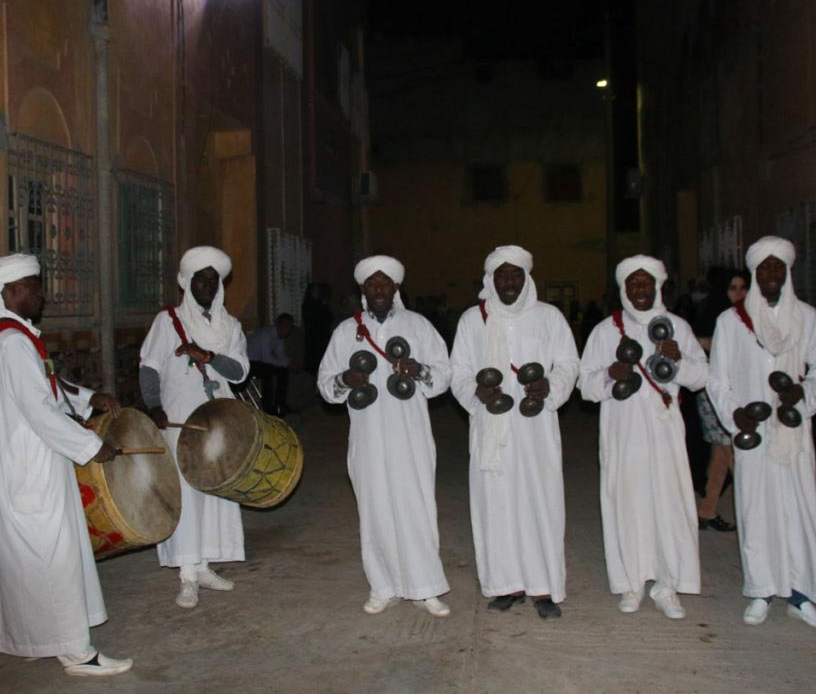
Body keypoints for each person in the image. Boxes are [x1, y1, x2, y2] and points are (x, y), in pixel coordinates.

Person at [0, 254, 132, 677]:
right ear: (11, 292)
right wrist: (91, 444)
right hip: (34, 465)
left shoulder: (11, 337)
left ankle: (34, 636)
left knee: (29, 558)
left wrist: (88, 398)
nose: (43, 294)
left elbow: (47, 387)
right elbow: (41, 411)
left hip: (23, 462)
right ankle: (76, 652)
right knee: (54, 556)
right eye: (35, 286)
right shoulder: (11, 343)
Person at [707, 236, 816, 629]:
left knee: (800, 512)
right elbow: (718, 381)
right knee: (756, 511)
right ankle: (761, 591)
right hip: (753, 436)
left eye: (776, 267)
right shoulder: (732, 322)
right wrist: (735, 416)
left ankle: (801, 595)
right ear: (753, 273)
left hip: (793, 435)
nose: (770, 274)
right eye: (763, 268)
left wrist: (804, 394)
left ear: (787, 272)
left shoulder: (809, 319)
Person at [317, 255, 452, 617]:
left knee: (417, 506)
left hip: (411, 435)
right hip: (368, 436)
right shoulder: (347, 331)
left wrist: (420, 369)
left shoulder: (418, 325)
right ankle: (383, 586)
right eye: (372, 284)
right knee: (374, 508)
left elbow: (443, 376)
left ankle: (426, 588)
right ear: (363, 289)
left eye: (385, 283)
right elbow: (325, 384)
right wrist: (346, 380)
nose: (379, 289)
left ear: (396, 288)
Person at [449, 246, 579, 619]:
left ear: (527, 278)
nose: (509, 281)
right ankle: (505, 585)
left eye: (516, 274)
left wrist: (550, 388)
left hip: (535, 428)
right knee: (496, 504)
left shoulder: (548, 317)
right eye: (502, 275)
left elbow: (568, 363)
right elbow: (458, 370)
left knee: (540, 501)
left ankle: (543, 587)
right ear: (490, 279)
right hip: (491, 427)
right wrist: (476, 392)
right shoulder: (473, 321)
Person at [578, 255, 709, 619]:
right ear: (624, 288)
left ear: (657, 287)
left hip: (665, 430)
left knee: (669, 503)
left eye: (646, 283)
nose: (640, 289)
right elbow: (585, 386)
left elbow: (701, 378)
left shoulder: (678, 327)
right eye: (633, 283)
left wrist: (678, 360)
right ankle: (631, 582)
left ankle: (668, 585)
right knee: (627, 500)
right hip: (623, 431)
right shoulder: (606, 330)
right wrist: (610, 374)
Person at [140, 246, 249, 609]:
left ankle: (204, 566)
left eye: (212, 281)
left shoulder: (229, 326)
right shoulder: (167, 320)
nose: (206, 286)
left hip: (219, 419)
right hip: (180, 417)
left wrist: (209, 357)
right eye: (200, 280)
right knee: (186, 490)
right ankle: (187, 574)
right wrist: (153, 405)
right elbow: (150, 367)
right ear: (188, 283)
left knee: (216, 487)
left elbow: (240, 371)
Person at [693, 269, 749, 531]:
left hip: (739, 390)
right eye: (732, 288)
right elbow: (697, 343)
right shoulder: (712, 314)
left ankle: (707, 509)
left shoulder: (747, 317)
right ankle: (753, 511)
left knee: (721, 455)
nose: (739, 293)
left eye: (743, 287)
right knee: (733, 451)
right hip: (714, 393)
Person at [247, 313, 295, 416]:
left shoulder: (279, 337)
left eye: (290, 327)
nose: (288, 330)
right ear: (278, 324)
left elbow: (280, 355)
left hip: (260, 362)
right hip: (249, 361)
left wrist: (288, 362)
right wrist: (286, 363)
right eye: (286, 326)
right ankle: (268, 408)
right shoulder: (266, 334)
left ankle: (279, 405)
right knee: (269, 372)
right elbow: (266, 358)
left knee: (282, 370)